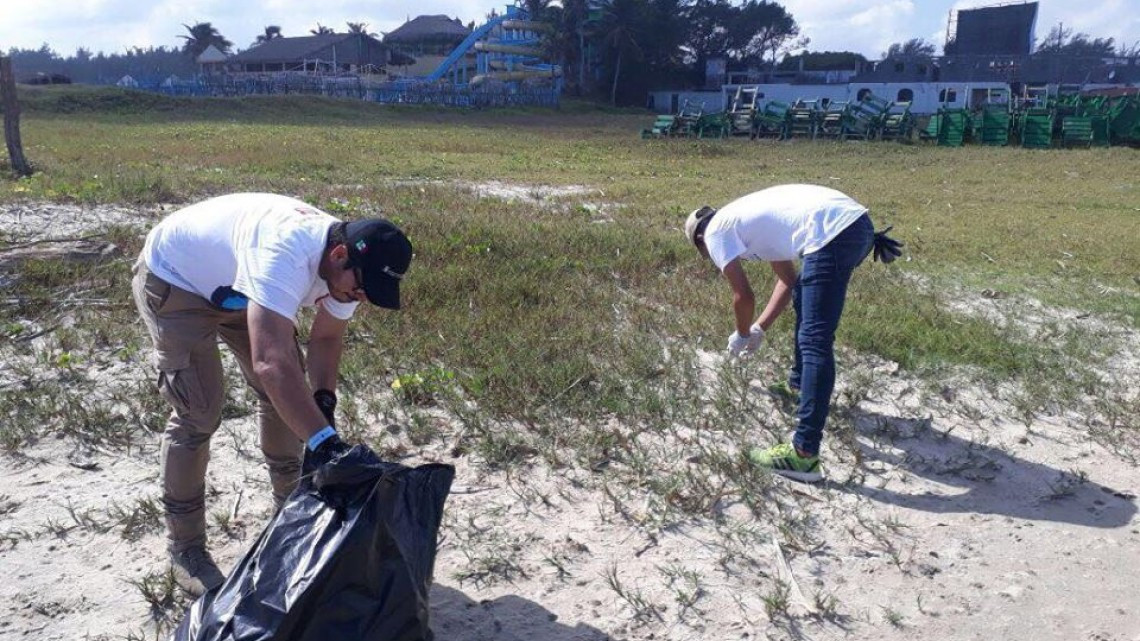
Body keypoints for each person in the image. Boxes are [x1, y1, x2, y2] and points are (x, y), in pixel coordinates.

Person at [131, 193, 413, 595]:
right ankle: (185, 549)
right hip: (177, 281)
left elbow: (327, 339)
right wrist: (323, 441)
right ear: (338, 256)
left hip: (239, 287)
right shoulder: (286, 254)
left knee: (288, 398)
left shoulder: (349, 271)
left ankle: (289, 513)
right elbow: (271, 362)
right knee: (200, 413)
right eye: (364, 288)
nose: (362, 298)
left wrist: (324, 408)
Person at [684, 184, 900, 483]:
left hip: (833, 233)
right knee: (806, 302)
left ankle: (803, 456)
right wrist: (759, 329)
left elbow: (743, 296)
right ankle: (799, 387)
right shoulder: (748, 225)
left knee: (815, 340)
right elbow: (789, 281)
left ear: (699, 240)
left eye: (706, 255)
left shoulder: (714, 233)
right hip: (856, 226)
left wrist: (742, 333)